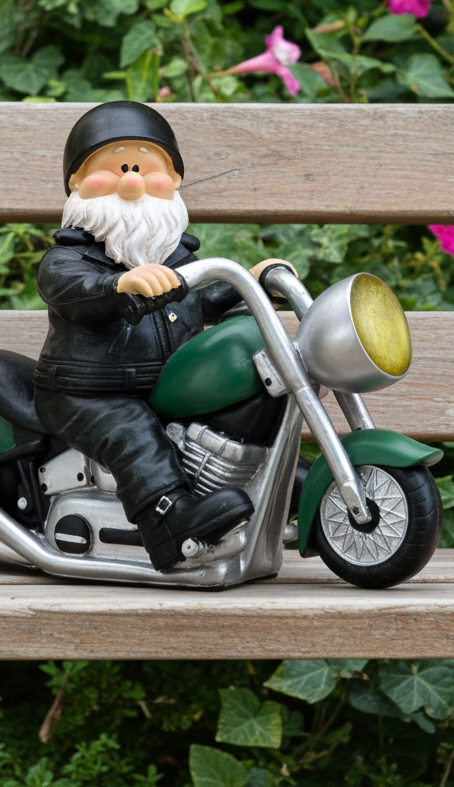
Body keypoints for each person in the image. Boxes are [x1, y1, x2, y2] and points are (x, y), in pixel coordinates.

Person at [33, 100, 290, 571]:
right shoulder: (69, 260)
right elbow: (70, 291)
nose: (131, 181)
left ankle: (272, 482)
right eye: (114, 169)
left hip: (166, 384)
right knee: (133, 434)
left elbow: (196, 301)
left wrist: (251, 286)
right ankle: (170, 524)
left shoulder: (175, 261)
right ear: (77, 184)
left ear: (172, 183)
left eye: (145, 168)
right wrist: (117, 286)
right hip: (89, 393)